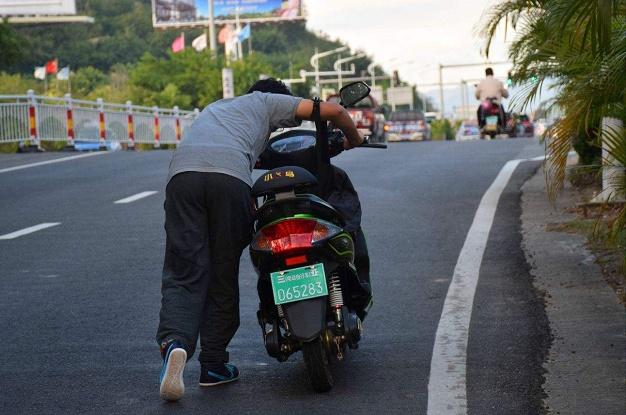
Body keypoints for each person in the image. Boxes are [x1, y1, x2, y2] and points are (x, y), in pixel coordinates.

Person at [156, 78, 364, 402]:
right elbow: (333, 111)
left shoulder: (217, 109)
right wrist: (355, 138)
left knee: (184, 272)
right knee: (222, 273)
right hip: (229, 181)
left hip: (183, 178)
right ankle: (212, 364)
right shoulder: (266, 102)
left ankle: (175, 344)